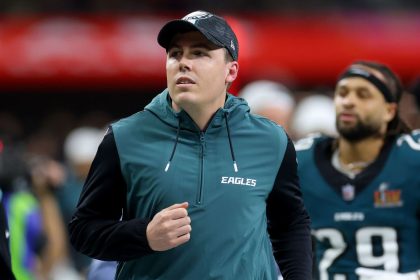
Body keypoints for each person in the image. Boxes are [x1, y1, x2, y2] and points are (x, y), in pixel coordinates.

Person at [69, 10, 312, 279]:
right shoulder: (125, 137)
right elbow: (83, 231)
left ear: (230, 71)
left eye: (199, 53)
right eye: (175, 54)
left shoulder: (271, 141)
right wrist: (144, 235)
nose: (183, 63)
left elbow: (290, 225)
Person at [295, 61, 420, 280]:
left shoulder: (412, 157)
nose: (348, 102)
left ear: (390, 111)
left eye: (363, 95)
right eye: (342, 93)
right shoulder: (302, 160)